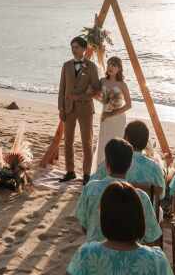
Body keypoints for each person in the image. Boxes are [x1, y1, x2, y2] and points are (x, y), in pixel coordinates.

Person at [77, 138, 162, 245]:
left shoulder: (91, 188)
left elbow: (84, 226)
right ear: (130, 165)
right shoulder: (141, 197)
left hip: (95, 252)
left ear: (106, 163)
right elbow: (152, 236)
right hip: (130, 255)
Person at [57, 36, 101, 185]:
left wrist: (81, 96)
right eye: (72, 47)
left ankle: (87, 174)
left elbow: (96, 89)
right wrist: (61, 108)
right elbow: (62, 89)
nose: (73, 49)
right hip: (68, 108)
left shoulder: (92, 67)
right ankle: (70, 171)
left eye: (76, 47)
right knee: (67, 141)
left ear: (83, 49)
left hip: (85, 109)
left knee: (86, 142)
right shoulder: (66, 66)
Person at [92, 120, 166, 200]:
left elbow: (93, 185)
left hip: (110, 209)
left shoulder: (112, 161)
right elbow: (161, 195)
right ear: (145, 142)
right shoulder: (154, 167)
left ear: (126, 138)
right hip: (143, 211)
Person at [91, 56, 132, 173]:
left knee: (117, 146)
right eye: (109, 64)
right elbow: (102, 99)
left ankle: (116, 172)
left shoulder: (122, 84)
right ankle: (100, 171)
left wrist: (112, 113)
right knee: (103, 145)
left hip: (118, 119)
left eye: (114, 65)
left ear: (119, 68)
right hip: (105, 118)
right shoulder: (102, 81)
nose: (110, 67)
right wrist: (94, 95)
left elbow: (129, 105)